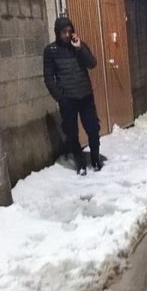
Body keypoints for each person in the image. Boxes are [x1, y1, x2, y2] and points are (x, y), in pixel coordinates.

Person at [43, 15, 102, 175]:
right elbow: (48, 77)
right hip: (67, 98)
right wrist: (59, 96)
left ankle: (95, 160)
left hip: (85, 95)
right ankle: (80, 163)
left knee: (93, 128)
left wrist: (79, 47)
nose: (67, 35)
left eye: (70, 31)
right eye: (64, 32)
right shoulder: (51, 51)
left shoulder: (78, 46)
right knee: (72, 132)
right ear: (57, 32)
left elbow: (92, 63)